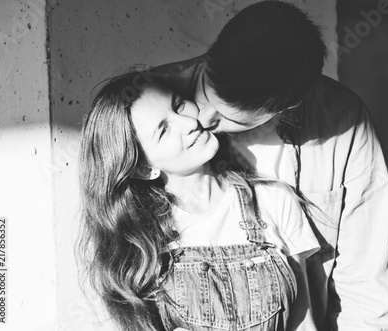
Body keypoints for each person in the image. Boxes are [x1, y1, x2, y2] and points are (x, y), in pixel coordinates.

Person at [144, 1, 388, 330]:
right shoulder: (145, 105)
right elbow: (121, 260)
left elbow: (367, 287)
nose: (202, 119)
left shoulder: (343, 123)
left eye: (227, 117)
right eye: (204, 91)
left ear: (286, 106)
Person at [77, 70, 325, 331]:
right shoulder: (145, 245)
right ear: (144, 168)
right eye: (164, 130)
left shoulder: (274, 201)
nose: (188, 123)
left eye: (179, 105)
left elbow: (304, 322)